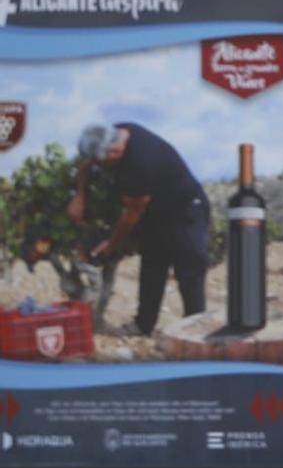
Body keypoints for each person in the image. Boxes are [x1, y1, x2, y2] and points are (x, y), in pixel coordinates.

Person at [70, 122, 209, 335]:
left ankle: (195, 331)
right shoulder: (116, 132)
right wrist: (79, 197)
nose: (99, 164)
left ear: (115, 152)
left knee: (189, 271)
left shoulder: (140, 164)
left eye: (102, 161)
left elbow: (131, 215)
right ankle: (143, 326)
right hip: (156, 211)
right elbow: (87, 165)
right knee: (152, 268)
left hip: (186, 210)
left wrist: (111, 244)